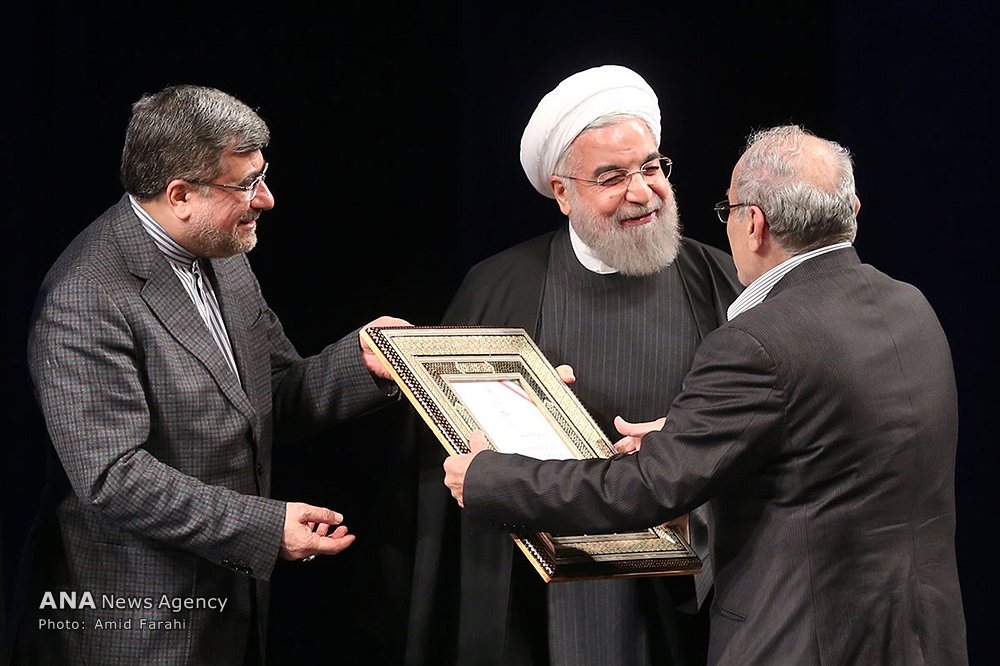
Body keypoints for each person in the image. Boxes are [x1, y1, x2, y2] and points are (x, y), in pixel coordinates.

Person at [444, 125, 969, 665]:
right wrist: (692, 439)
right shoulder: (913, 308)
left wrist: (490, 477)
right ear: (851, 209)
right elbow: (824, 458)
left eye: (729, 211)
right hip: (921, 640)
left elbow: (644, 490)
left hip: (801, 643)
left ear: (754, 224)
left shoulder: (755, 341)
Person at [14, 84, 407, 665]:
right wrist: (266, 527)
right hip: (137, 624)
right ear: (180, 196)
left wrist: (363, 361)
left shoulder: (223, 252)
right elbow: (113, 475)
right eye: (247, 184)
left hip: (230, 603)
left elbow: (271, 397)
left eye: (262, 176)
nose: (266, 199)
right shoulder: (85, 295)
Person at [407, 65, 741, 666]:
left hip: (686, 584)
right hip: (537, 591)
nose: (641, 192)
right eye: (611, 177)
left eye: (651, 167)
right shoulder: (497, 287)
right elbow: (443, 454)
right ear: (562, 192)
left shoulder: (721, 281)